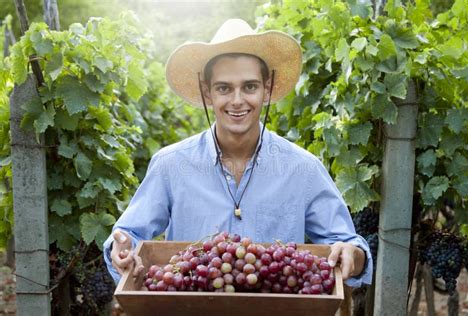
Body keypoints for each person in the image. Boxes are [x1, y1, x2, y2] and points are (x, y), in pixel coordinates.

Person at [103, 19, 372, 287]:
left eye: (249, 86)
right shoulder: (170, 165)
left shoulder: (303, 168)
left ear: (266, 90)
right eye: (223, 88)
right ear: (207, 93)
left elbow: (348, 246)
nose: (237, 100)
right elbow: (128, 236)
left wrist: (353, 254)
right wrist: (123, 251)